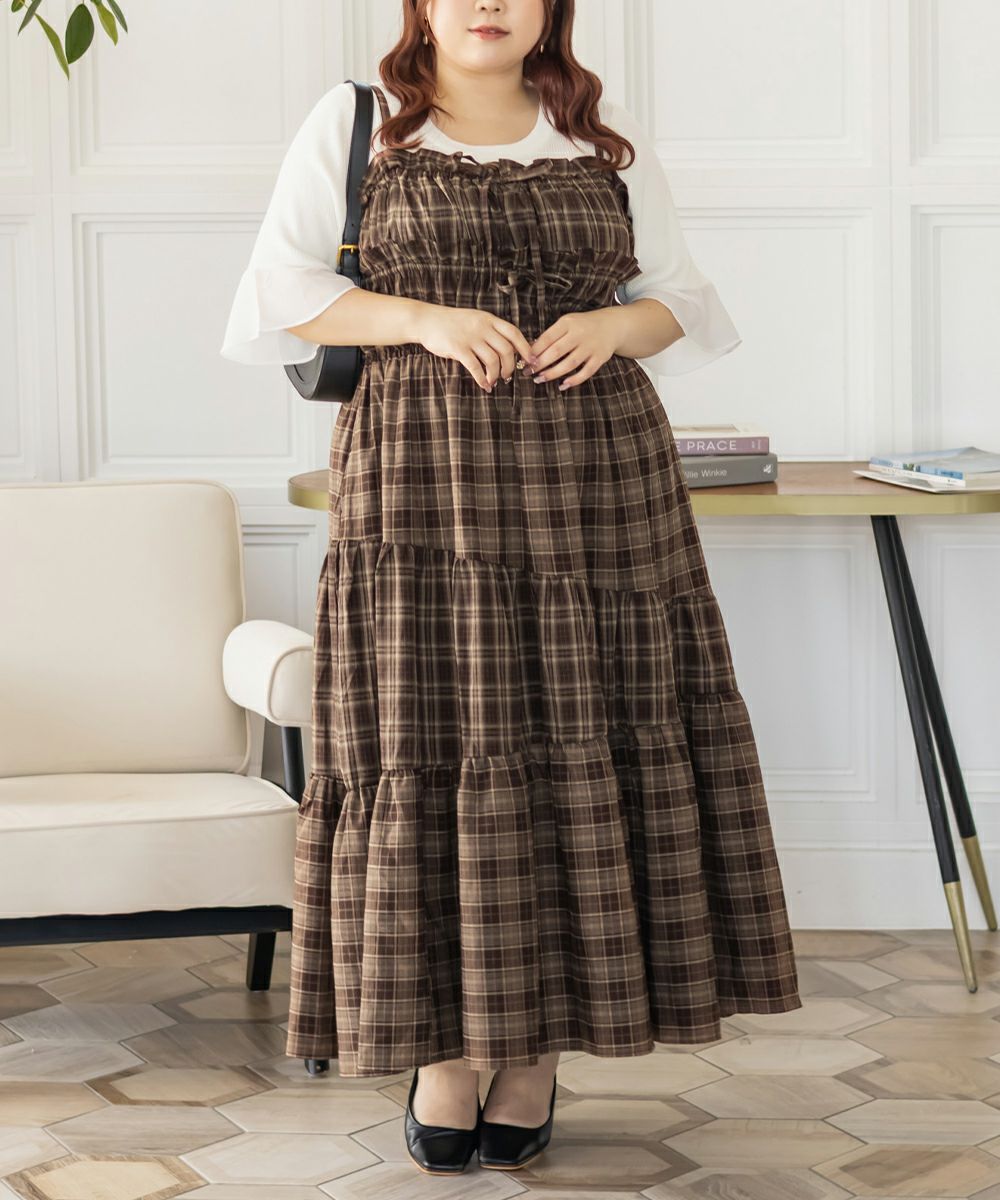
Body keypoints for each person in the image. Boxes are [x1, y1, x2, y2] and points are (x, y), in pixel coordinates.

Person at [221, 0, 802, 1177]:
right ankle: (443, 1052)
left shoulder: (594, 126)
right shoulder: (359, 120)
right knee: (431, 737)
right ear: (421, 8)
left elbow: (680, 298)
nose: (485, 2)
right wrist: (425, 321)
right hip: (420, 485)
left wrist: (612, 327)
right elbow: (280, 290)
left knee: (577, 736)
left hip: (598, 483)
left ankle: (533, 1053)